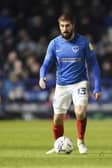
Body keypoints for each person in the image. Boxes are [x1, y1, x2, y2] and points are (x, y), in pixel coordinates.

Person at [39, 12, 102, 154]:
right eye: (62, 26)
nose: (64, 28)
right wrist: (41, 76)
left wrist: (97, 87)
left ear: (73, 25)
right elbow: (46, 64)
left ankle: (80, 141)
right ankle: (58, 145)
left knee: (80, 112)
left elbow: (94, 65)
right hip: (61, 85)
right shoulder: (54, 44)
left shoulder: (84, 43)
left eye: (67, 25)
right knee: (57, 118)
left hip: (80, 83)